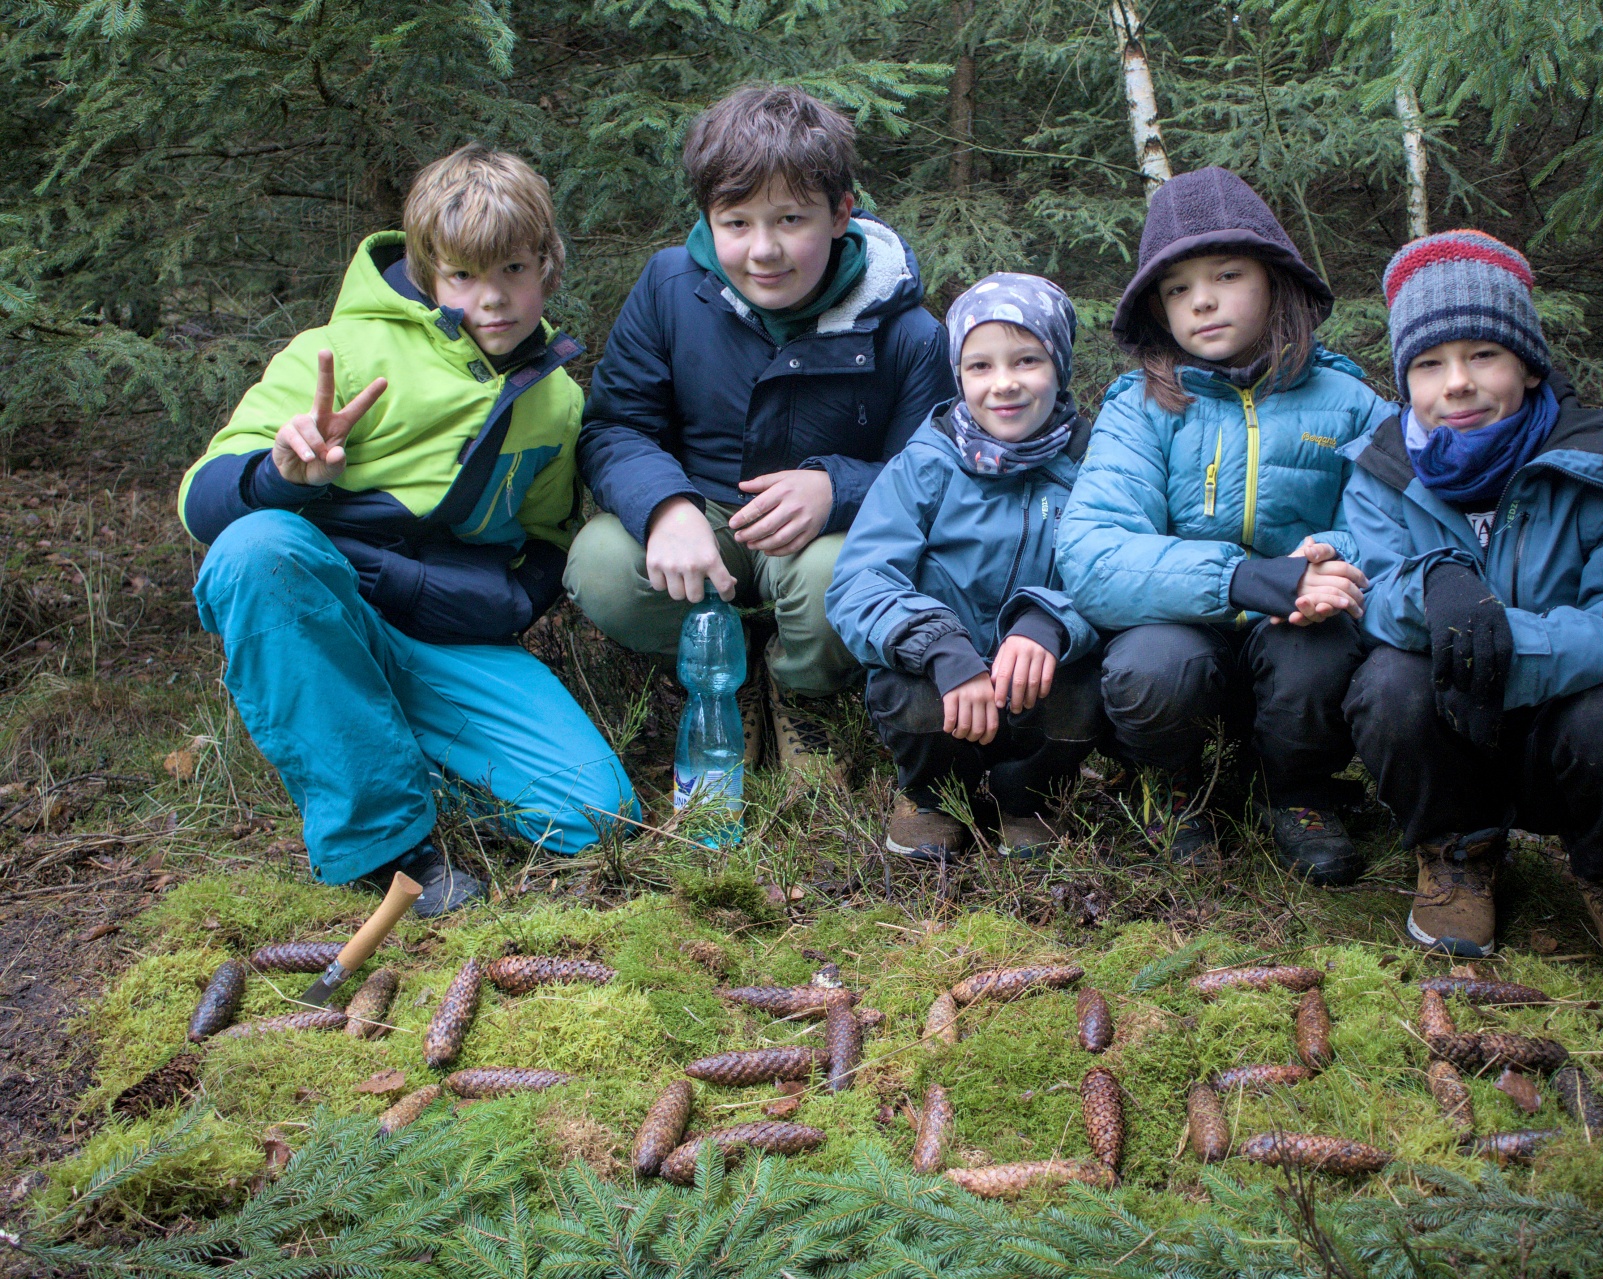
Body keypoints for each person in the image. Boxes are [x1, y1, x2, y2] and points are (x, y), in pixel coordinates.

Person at [178, 144, 636, 916]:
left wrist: (507, 605)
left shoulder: (555, 398)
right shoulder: (341, 354)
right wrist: (280, 476)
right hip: (337, 613)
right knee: (255, 550)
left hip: (449, 634)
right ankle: (387, 845)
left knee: (597, 815)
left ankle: (386, 754)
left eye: (513, 270)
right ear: (429, 274)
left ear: (548, 265)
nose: (492, 298)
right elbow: (200, 501)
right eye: (463, 275)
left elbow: (547, 535)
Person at [564, 84, 952, 787]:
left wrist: (838, 488)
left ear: (841, 213)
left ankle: (802, 690)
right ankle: (724, 675)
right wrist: (665, 506)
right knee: (601, 563)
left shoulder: (907, 330)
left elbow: (933, 471)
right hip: (704, 515)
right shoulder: (669, 287)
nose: (763, 250)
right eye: (736, 223)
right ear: (708, 217)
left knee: (837, 577)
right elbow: (616, 426)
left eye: (791, 219)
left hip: (824, 536)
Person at [1338, 229, 1603, 972]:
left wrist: (1508, 646)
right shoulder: (1383, 467)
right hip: (1448, 723)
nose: (1456, 383)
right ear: (1406, 380)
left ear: (1529, 365)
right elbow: (1371, 588)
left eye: (1483, 355)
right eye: (1429, 364)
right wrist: (1436, 587)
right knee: (1385, 684)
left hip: (1564, 720)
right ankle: (1456, 853)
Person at [1057, 167, 1387, 880]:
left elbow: (1394, 524)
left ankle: (1294, 790)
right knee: (1151, 667)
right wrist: (1244, 578)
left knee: (1320, 651)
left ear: (1275, 279)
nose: (1201, 301)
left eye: (1227, 275)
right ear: (1158, 308)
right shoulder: (1139, 408)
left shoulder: (1353, 402)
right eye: (1177, 289)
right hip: (1183, 630)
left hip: (1294, 631)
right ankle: (1170, 784)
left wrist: (1329, 561)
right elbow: (1092, 553)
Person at [828, 274, 1103, 860]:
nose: (1003, 383)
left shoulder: (1094, 466)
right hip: (942, 676)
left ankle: (1029, 797)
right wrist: (939, 646)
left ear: (1059, 366)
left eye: (1026, 360)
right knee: (904, 691)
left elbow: (1116, 572)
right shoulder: (925, 464)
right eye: (980, 366)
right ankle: (932, 796)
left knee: (1084, 686)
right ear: (958, 375)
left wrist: (1051, 622)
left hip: (1041, 677)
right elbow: (859, 581)